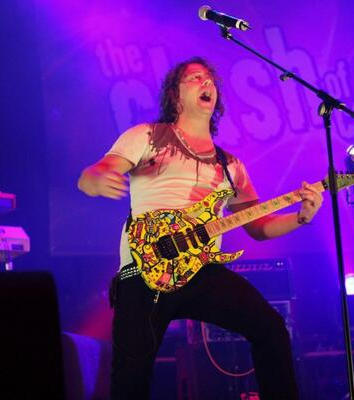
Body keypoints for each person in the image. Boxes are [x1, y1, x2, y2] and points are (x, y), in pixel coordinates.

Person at [78, 56, 323, 400]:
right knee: (130, 379)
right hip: (146, 267)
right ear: (175, 95)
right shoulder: (148, 135)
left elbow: (259, 227)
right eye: (195, 78)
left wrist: (301, 217)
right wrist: (97, 179)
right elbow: (92, 175)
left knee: (270, 328)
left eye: (210, 79)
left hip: (201, 269)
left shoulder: (231, 166)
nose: (206, 83)